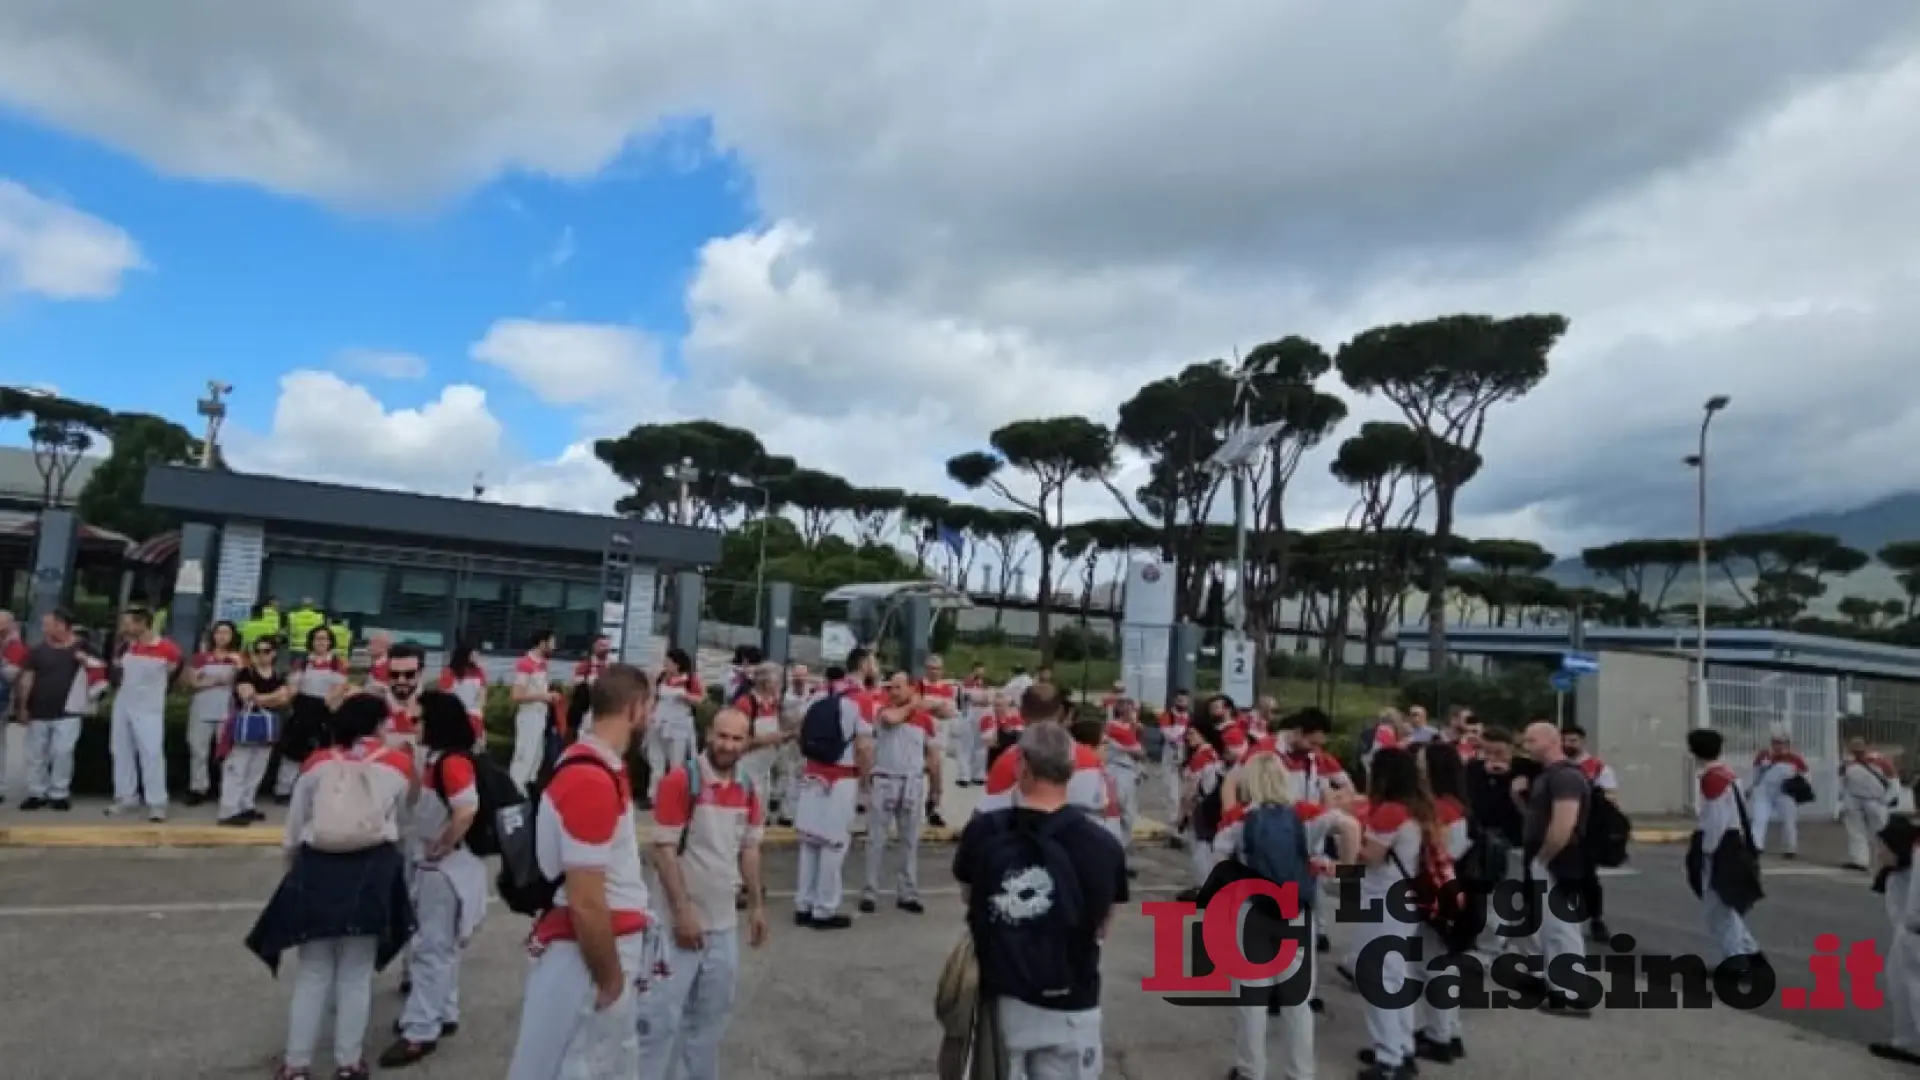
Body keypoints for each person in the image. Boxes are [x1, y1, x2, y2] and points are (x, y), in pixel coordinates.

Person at [245, 694, 417, 1080]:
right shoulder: (398, 765)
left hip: (317, 868)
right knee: (356, 973)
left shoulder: (317, 763)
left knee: (313, 972)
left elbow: (295, 826)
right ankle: (348, 1063)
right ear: (378, 725)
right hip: (372, 870)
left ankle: (296, 1065)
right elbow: (406, 823)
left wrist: (293, 866)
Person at [505, 664, 662, 1080]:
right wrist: (610, 981)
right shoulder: (591, 780)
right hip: (591, 954)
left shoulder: (598, 766)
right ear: (634, 709)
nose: (652, 717)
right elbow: (587, 901)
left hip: (599, 945)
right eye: (650, 706)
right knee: (584, 1063)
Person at [953, 722, 1126, 1079]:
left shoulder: (984, 831)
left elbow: (970, 897)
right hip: (1072, 1000)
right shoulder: (1103, 845)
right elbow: (1103, 924)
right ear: (1072, 770)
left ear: (1022, 766)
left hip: (1002, 996)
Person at [638, 708, 769, 1080]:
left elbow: (749, 849)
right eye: (722, 736)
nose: (728, 745)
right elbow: (663, 851)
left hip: (723, 924)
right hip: (677, 926)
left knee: (710, 1023)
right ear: (709, 734)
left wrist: (756, 906)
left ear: (747, 742)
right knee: (659, 1022)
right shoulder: (681, 781)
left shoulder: (749, 788)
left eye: (737, 738)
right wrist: (682, 914)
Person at [1211, 753, 1343, 1080]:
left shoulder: (1238, 819)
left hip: (1252, 911)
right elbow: (1346, 824)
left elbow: (1219, 864)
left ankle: (1251, 1070)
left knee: (1252, 999)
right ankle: (1300, 1072)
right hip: (1295, 910)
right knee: (1297, 1001)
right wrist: (1338, 866)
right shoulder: (1306, 814)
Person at [380, 692, 490, 1067]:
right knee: (442, 947)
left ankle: (420, 1031)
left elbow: (466, 809)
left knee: (431, 949)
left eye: (420, 719)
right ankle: (442, 1012)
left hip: (444, 870)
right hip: (445, 866)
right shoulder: (440, 760)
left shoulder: (451, 763)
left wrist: (443, 843)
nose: (414, 725)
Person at [1353, 748, 1430, 1079]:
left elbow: (1369, 855)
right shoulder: (1416, 809)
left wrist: (1347, 834)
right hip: (1404, 896)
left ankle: (1389, 1058)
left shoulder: (1389, 812)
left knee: (1378, 978)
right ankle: (1401, 1046)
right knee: (1395, 975)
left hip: (1383, 897)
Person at [792, 662, 876, 930]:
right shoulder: (860, 700)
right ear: (864, 666)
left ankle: (803, 904)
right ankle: (824, 909)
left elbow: (799, 732)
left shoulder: (817, 695)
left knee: (809, 842)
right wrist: (866, 783)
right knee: (834, 844)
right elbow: (864, 747)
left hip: (812, 776)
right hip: (841, 779)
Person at [1517, 721, 1592, 1015]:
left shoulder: (1565, 777)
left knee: (1560, 925)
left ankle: (1571, 991)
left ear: (1551, 740)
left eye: (1532, 740)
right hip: (1548, 855)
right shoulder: (1549, 776)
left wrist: (1544, 856)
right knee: (1550, 925)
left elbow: (1564, 823)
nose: (1526, 746)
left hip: (1559, 857)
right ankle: (1559, 985)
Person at [1684, 728, 1764, 967]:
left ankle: (1736, 961)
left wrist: (1706, 852)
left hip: (1721, 846)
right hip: (1734, 841)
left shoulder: (1712, 779)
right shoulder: (1727, 773)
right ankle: (1750, 953)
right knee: (1725, 906)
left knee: (1717, 908)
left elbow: (1715, 820)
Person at [863, 671, 941, 915]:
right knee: (876, 839)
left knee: (909, 840)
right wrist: (914, 704)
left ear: (910, 688)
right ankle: (870, 891)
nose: (893, 692)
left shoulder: (924, 720)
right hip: (885, 780)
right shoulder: (884, 712)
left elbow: (933, 756)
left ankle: (908, 892)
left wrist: (936, 789)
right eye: (891, 687)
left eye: (898, 687)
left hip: (912, 783)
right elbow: (892, 719)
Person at [12, 609, 106, 811]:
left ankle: (59, 792)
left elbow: (101, 670)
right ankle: (36, 792)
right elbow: (27, 678)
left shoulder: (83, 647)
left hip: (69, 711)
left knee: (62, 752)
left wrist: (84, 660)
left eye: (48, 625)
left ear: (62, 625)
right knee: (36, 754)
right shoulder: (37, 651)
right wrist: (23, 706)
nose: (44, 629)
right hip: (39, 711)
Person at [1414, 741, 1472, 1062]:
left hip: (1438, 894)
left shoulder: (1440, 810)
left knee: (1431, 964)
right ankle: (1449, 1029)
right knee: (1442, 963)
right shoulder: (1458, 805)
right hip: (1455, 892)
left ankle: (1439, 1035)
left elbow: (1436, 855)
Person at [107, 606, 183, 821]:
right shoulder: (125, 646)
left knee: (151, 753)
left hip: (149, 707)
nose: (124, 627)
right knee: (120, 750)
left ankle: (157, 803)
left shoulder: (167, 648)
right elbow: (117, 672)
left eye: (128, 623)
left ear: (142, 623)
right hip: (124, 703)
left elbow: (176, 672)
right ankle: (126, 797)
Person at [221, 635, 293, 827]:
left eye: (266, 651)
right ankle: (229, 809)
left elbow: (284, 698)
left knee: (257, 768)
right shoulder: (246, 672)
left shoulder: (278, 675)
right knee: (238, 766)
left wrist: (262, 698)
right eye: (258, 651)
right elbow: (248, 696)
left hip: (267, 726)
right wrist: (272, 697)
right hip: (246, 724)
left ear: (274, 653)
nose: (261, 655)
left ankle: (247, 804)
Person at [278, 626, 352, 802]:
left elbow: (341, 687)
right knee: (293, 752)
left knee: (321, 752)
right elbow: (293, 685)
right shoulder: (302, 662)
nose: (321, 642)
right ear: (311, 641)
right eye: (317, 638)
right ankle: (284, 790)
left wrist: (326, 705)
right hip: (302, 708)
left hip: (325, 709)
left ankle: (317, 790)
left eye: (324, 639)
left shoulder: (337, 663)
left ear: (330, 642)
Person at [1869, 815, 1920, 1065]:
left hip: (1914, 934)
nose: (1879, 852)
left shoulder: (1913, 868)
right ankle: (1907, 1042)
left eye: (1883, 847)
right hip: (1905, 936)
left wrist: (1912, 928)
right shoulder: (1894, 874)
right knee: (1901, 987)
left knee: (1915, 990)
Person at [1560, 724, 1619, 940]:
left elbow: (1610, 799)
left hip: (1588, 832)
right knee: (1564, 876)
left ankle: (1596, 919)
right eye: (1565, 740)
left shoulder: (1598, 768)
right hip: (1562, 828)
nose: (1568, 745)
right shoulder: (1557, 766)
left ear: (1582, 742)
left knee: (1588, 878)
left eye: (1573, 741)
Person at [185, 621, 244, 806]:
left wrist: (209, 680)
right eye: (219, 632)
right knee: (198, 750)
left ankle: (227, 788)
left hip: (227, 709)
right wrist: (218, 680)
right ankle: (198, 788)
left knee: (228, 752)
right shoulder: (201, 658)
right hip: (201, 707)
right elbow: (193, 682)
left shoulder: (239, 658)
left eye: (226, 633)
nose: (222, 636)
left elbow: (243, 680)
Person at [649, 647, 704, 803]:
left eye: (668, 661)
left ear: (677, 664)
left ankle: (674, 796)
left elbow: (700, 700)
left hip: (679, 725)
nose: (665, 664)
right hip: (659, 722)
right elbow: (653, 696)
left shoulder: (690, 679)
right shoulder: (661, 677)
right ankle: (654, 795)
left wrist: (685, 696)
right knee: (656, 761)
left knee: (676, 763)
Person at [734, 662, 787, 822]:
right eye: (778, 681)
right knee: (743, 815)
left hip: (764, 770)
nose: (781, 685)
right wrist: (768, 739)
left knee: (760, 814)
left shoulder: (774, 703)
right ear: (766, 682)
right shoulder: (746, 703)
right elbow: (738, 741)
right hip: (745, 769)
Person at [1746, 733, 1807, 859]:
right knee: (1759, 818)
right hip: (1764, 791)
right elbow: (1756, 774)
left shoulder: (1795, 758)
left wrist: (1798, 786)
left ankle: (1790, 848)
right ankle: (1756, 845)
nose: (1778, 745)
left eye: (1781, 742)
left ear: (1787, 744)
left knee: (1788, 820)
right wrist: (1751, 787)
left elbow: (1805, 775)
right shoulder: (1763, 756)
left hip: (1784, 792)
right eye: (1775, 742)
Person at [509, 629, 557, 788]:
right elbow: (516, 695)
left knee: (536, 758)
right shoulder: (526, 663)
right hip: (529, 715)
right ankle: (514, 790)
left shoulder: (543, 664)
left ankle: (527, 792)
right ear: (542, 643)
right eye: (552, 642)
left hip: (540, 715)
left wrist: (548, 696)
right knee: (524, 758)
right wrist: (543, 696)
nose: (554, 646)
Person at [1841, 736, 1898, 870]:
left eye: (1859, 745)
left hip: (1875, 800)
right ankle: (1859, 860)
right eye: (1854, 746)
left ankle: (1888, 860)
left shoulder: (1879, 760)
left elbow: (1893, 779)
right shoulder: (1848, 763)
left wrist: (1888, 799)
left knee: (1881, 831)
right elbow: (1844, 781)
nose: (1857, 748)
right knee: (1856, 831)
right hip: (1854, 799)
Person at [437, 642, 490, 747]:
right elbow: (444, 694)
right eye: (474, 654)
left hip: (474, 714)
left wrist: (479, 709)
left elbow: (483, 693)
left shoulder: (479, 671)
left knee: (477, 747)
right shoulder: (449, 672)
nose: (477, 657)